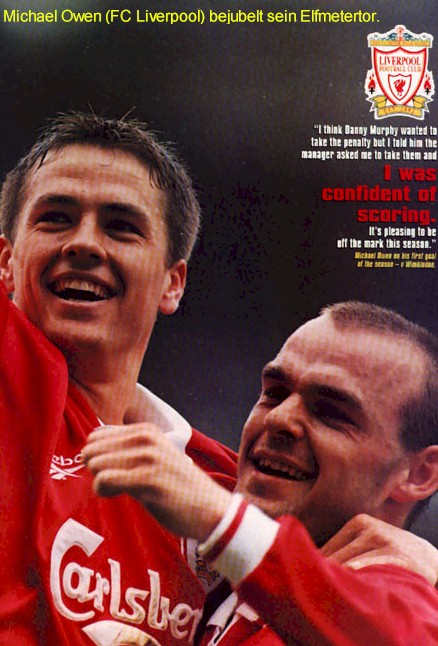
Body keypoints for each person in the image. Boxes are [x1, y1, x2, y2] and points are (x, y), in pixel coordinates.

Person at [0, 110, 237, 645]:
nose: (84, 243)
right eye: (55, 218)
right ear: (6, 263)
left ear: (173, 284)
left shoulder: (220, 489)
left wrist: (413, 563)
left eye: (121, 226)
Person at [84, 301, 438, 644]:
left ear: (419, 474)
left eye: (331, 413)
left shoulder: (397, 602)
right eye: (274, 393)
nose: (278, 417)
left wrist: (218, 519)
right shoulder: (224, 581)